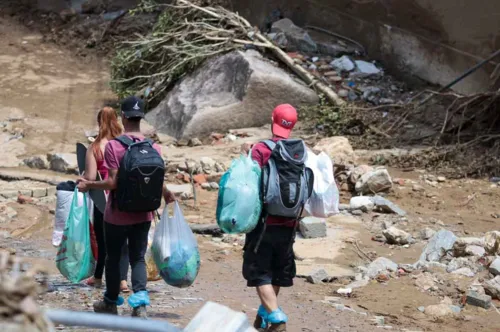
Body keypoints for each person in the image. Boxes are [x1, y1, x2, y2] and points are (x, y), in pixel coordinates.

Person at [78, 96, 175, 317]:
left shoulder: (114, 146)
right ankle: (139, 304)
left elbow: (112, 182)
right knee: (138, 258)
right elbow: (156, 179)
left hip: (116, 214)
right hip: (144, 214)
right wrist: (167, 193)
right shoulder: (154, 147)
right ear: (142, 117)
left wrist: (89, 184)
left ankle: (111, 302)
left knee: (113, 257)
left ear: (123, 117)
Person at [242, 104, 307, 332]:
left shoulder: (261, 149)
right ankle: (265, 312)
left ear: (273, 120)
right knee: (277, 270)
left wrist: (245, 154)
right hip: (290, 224)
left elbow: (246, 182)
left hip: (264, 223)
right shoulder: (300, 151)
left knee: (260, 273)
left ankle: (276, 318)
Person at [82, 106, 130, 293]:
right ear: (116, 120)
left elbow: (91, 177)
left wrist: (83, 178)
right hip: (126, 198)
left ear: (98, 122)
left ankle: (98, 277)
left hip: (104, 198)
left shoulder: (95, 148)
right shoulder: (124, 144)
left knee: (104, 242)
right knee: (124, 241)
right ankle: (123, 281)